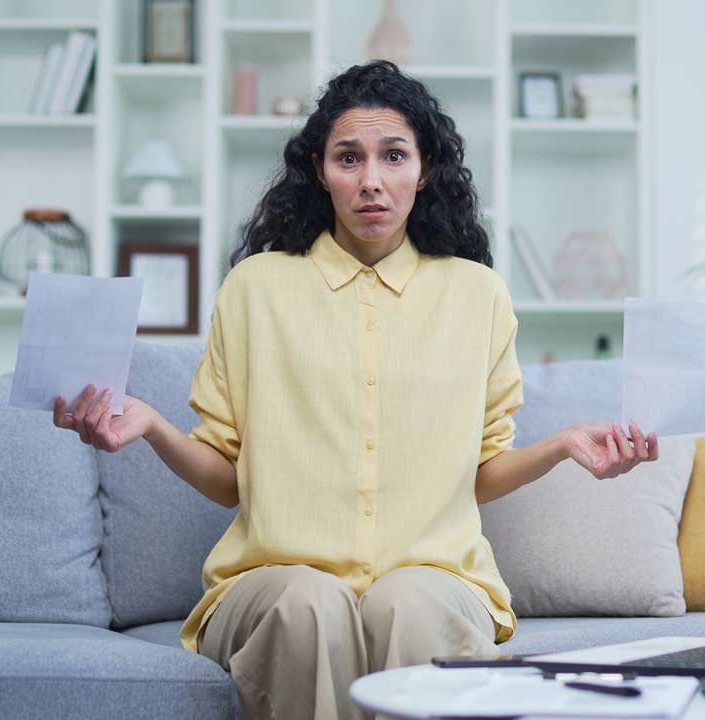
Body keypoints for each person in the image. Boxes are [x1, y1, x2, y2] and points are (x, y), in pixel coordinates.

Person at [53, 60, 658, 720]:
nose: (371, 180)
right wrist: (151, 425)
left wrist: (563, 445)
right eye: (349, 157)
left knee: (410, 605)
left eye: (393, 155)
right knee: (310, 605)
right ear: (320, 168)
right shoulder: (255, 289)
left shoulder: (477, 295)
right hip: (272, 584)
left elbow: (479, 471)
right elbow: (228, 479)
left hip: (435, 579)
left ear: (423, 170)